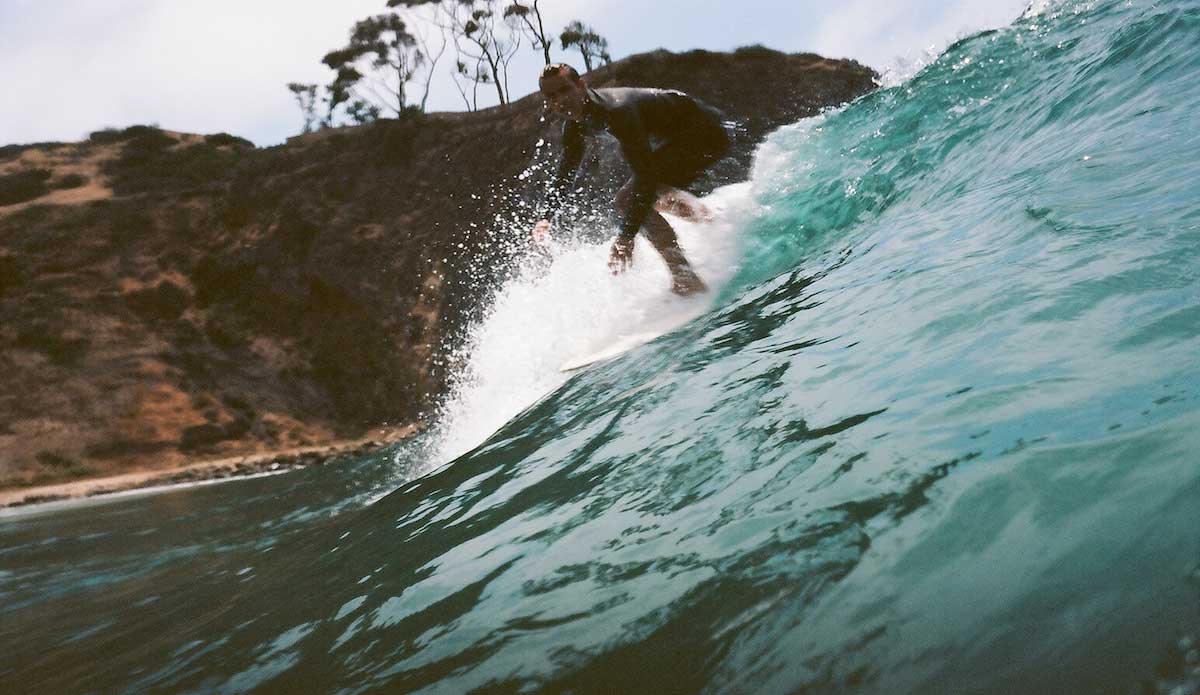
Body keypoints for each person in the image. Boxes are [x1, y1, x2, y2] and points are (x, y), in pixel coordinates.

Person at [532, 63, 729, 295]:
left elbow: (645, 176)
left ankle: (685, 278)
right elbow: (566, 173)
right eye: (551, 96)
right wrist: (546, 216)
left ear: (581, 85)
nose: (559, 101)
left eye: (565, 90)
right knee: (647, 197)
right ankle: (716, 222)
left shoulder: (617, 111)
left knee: (631, 199)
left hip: (707, 134)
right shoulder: (575, 126)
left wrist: (626, 236)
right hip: (684, 139)